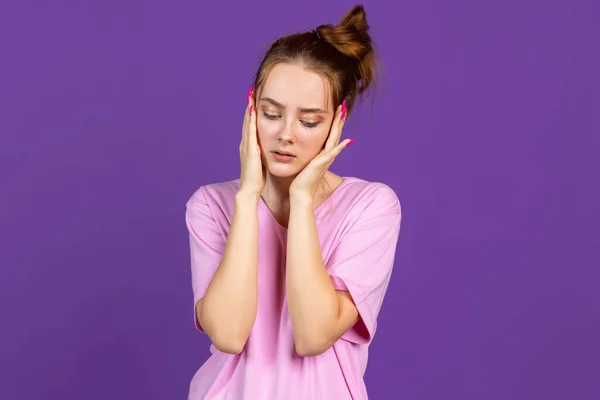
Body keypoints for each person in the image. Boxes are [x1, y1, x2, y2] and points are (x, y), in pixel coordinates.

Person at [185, 5, 401, 399]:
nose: (285, 134)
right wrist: (249, 197)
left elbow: (314, 334)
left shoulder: (371, 206)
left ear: (338, 120)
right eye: (271, 113)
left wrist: (302, 200)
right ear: (252, 110)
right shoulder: (211, 205)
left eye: (309, 121)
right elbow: (230, 335)